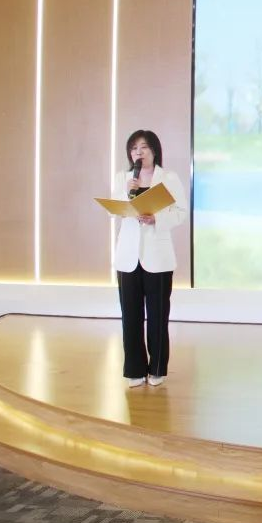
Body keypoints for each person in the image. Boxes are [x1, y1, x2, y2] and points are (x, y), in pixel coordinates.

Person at [113, 130, 187, 388]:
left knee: (157, 315)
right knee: (130, 316)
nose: (139, 152)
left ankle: (157, 368)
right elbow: (115, 211)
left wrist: (157, 219)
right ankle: (134, 369)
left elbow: (181, 212)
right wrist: (126, 193)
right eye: (134, 148)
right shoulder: (123, 178)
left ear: (154, 150)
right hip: (128, 257)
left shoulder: (168, 178)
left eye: (144, 147)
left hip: (158, 255)